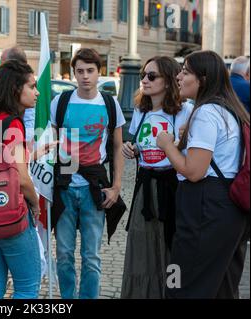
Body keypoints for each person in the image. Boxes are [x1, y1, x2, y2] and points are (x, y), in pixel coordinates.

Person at [157, 50, 250, 298]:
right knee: (222, 286)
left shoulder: (207, 112)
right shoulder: (230, 109)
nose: (179, 76)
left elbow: (193, 171)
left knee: (179, 281)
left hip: (205, 205)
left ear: (204, 79)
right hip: (228, 207)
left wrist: (166, 144)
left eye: (186, 71)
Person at [50, 48, 126, 299]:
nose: (85, 76)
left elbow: (116, 147)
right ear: (73, 73)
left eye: (90, 71)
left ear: (99, 72)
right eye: (80, 71)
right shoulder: (60, 102)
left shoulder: (109, 103)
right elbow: (51, 145)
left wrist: (116, 188)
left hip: (95, 188)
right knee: (63, 255)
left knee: (91, 257)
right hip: (65, 187)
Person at [120, 56, 192, 299]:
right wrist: (131, 150)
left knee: (170, 247)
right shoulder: (141, 111)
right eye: (143, 75)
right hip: (145, 188)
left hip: (173, 188)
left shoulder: (186, 111)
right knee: (142, 248)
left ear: (169, 80)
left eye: (152, 76)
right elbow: (140, 145)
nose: (144, 80)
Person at [0, 60, 42, 299]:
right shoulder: (13, 124)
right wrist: (34, 202)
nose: (37, 92)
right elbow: (21, 178)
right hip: (11, 217)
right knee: (27, 287)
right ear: (15, 89)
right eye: (32, 87)